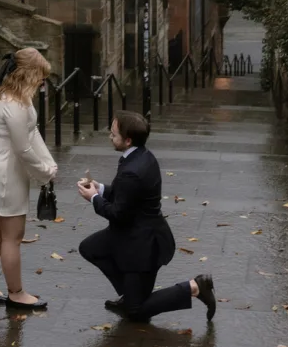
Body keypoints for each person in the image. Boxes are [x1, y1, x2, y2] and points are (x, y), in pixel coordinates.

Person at [77, 110, 216, 322]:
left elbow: (118, 214)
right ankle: (132, 293)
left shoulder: (132, 170)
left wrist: (94, 198)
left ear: (128, 140)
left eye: (113, 134)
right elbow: (126, 195)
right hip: (132, 232)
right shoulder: (141, 156)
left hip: (142, 245)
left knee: (136, 311)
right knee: (90, 248)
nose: (110, 137)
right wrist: (101, 189)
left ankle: (195, 287)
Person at [0, 47, 57, 311]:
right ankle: (16, 293)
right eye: (41, 76)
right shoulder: (13, 106)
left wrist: (49, 163)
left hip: (5, 171)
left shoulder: (20, 100)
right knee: (13, 236)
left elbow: (33, 134)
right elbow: (22, 149)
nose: (44, 82)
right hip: (6, 176)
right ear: (28, 74)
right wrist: (44, 173)